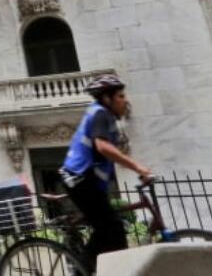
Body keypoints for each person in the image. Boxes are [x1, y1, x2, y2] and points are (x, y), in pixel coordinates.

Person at [60, 74, 152, 274]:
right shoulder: (100, 113)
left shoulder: (106, 117)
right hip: (78, 178)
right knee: (109, 227)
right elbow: (103, 147)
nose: (125, 100)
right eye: (120, 96)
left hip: (89, 182)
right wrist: (138, 167)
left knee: (114, 232)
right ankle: (80, 271)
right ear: (107, 99)